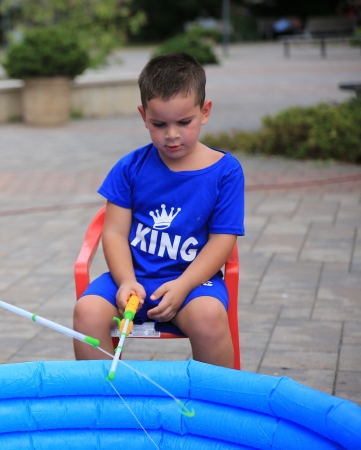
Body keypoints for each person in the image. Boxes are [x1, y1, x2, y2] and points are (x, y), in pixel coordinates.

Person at [73, 52, 244, 368]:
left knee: (208, 319)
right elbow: (114, 232)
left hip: (192, 283)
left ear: (205, 112)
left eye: (184, 122)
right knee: (87, 312)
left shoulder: (225, 172)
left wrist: (184, 285)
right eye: (159, 124)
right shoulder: (129, 168)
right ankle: (102, 404)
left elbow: (223, 240)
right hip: (132, 279)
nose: (172, 134)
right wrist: (125, 280)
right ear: (143, 116)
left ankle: (213, 409)